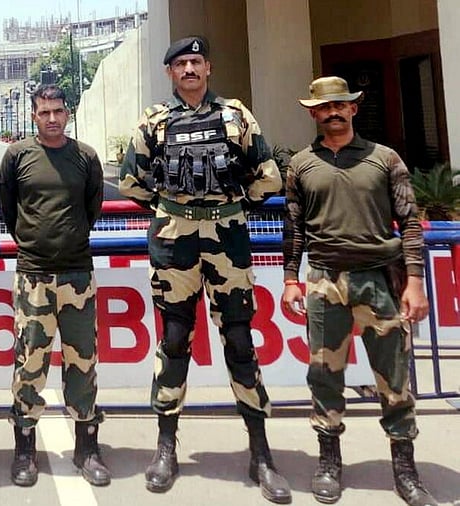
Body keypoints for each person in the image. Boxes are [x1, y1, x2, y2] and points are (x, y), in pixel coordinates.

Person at [118, 36, 291, 503]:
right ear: (170, 73)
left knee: (238, 340)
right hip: (175, 243)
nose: (189, 69)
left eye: (196, 61)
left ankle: (261, 453)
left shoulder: (237, 116)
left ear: (208, 68)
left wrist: (233, 204)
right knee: (174, 340)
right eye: (181, 63)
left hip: (227, 240)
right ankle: (166, 447)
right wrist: (170, 206)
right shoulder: (154, 122)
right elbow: (130, 178)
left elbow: (269, 173)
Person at [281, 76, 436, 506]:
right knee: (324, 375)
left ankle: (404, 468)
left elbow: (409, 222)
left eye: (340, 105)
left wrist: (416, 282)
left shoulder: (384, 159)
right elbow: (293, 228)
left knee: (394, 379)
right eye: (323, 107)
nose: (332, 112)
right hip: (325, 280)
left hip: (380, 280)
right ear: (313, 113)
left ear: (353, 109)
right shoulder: (301, 165)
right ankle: (329, 460)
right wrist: (290, 278)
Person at [0, 84, 110, 487]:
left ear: (68, 113)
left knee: (82, 361)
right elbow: (11, 211)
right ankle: (25, 447)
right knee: (29, 361)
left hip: (78, 274)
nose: (51, 119)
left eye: (58, 111)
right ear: (34, 115)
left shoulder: (86, 158)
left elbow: (92, 208)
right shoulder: (17, 157)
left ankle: (87, 444)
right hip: (33, 275)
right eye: (44, 112)